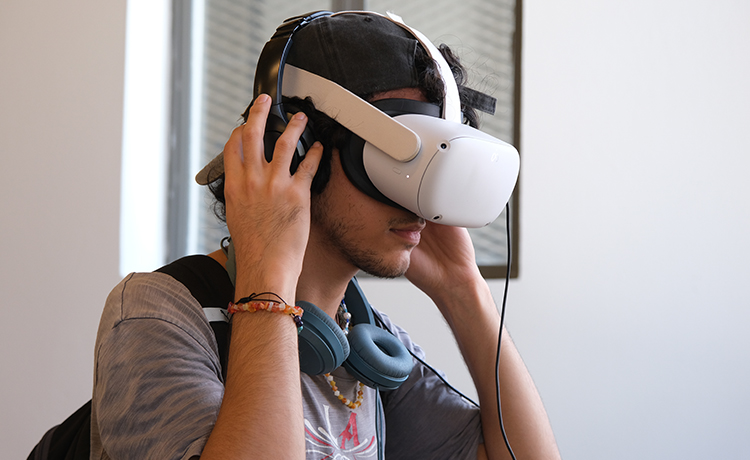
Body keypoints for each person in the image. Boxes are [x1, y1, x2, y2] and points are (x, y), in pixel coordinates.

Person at [90, 11, 561, 460]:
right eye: (398, 164)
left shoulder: (366, 346)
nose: (418, 202)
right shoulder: (159, 314)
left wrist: (464, 290)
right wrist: (266, 278)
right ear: (293, 154)